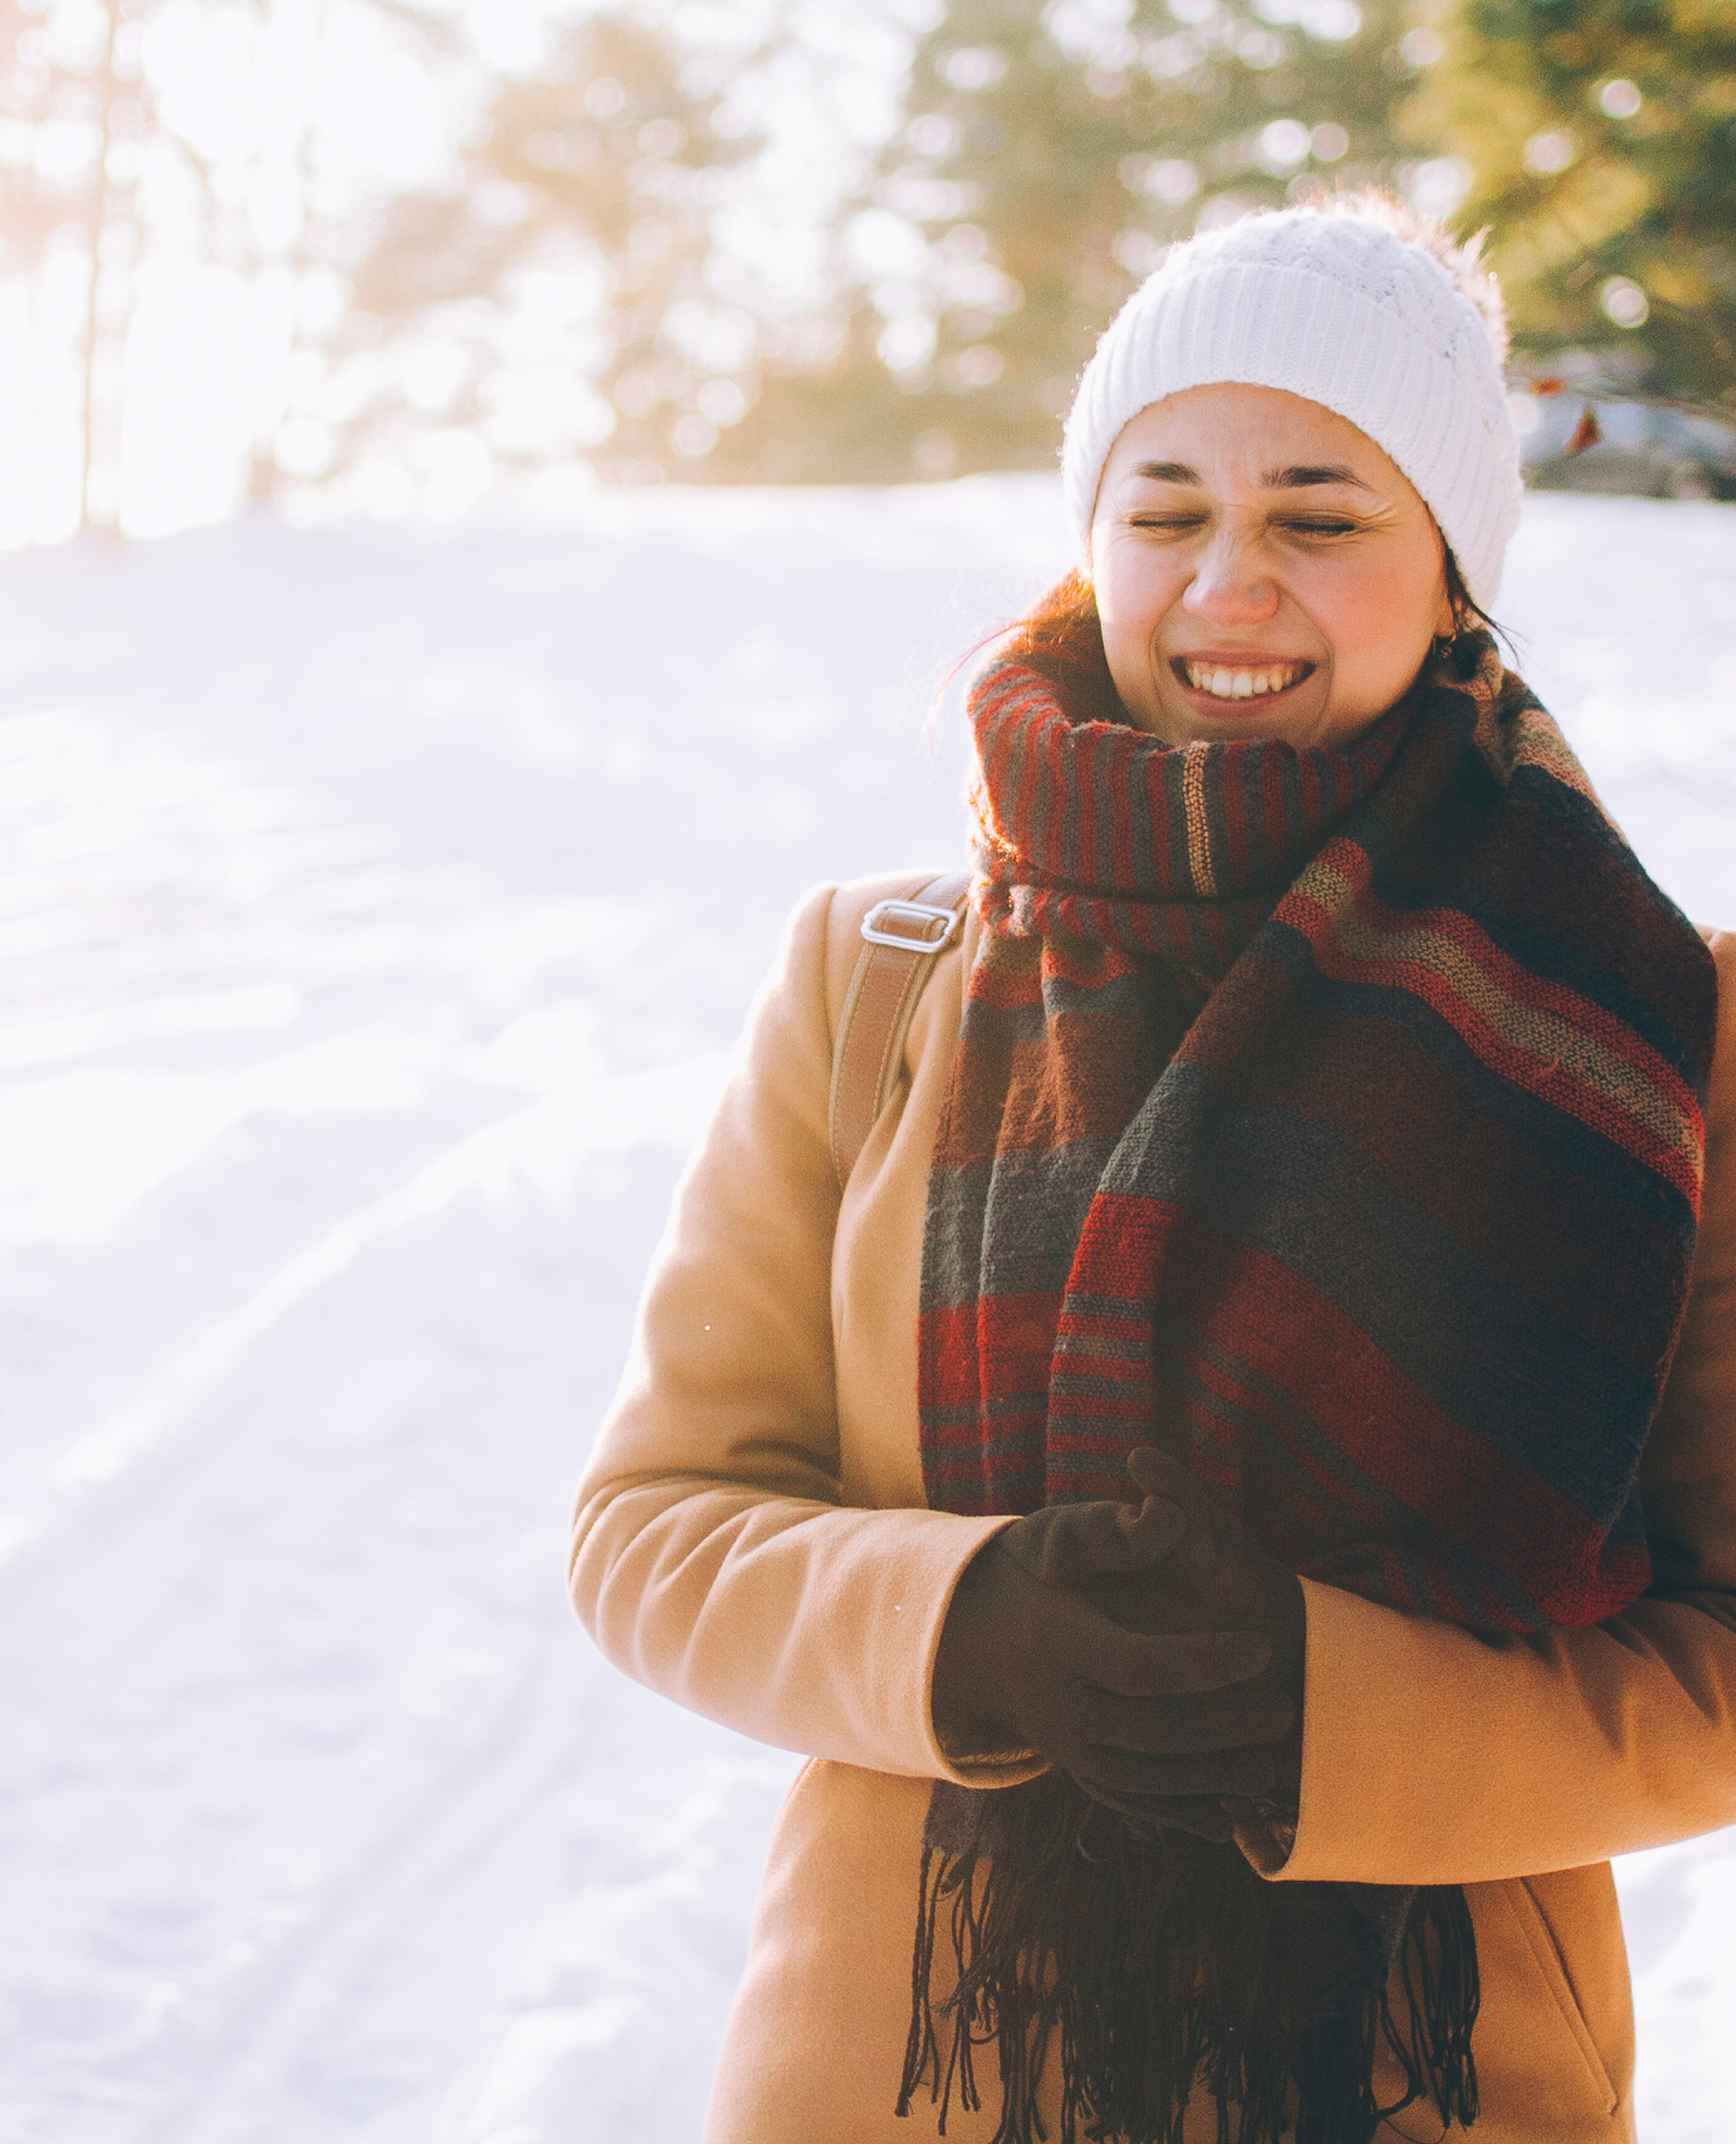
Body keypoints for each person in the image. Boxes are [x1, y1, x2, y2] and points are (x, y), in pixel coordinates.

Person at [569, 192, 1736, 2144]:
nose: (1226, 582)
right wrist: (973, 1623)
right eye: (1167, 508)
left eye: (1315, 512)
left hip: (1427, 2083)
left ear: (1448, 567)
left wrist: (1325, 1713)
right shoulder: (875, 983)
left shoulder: (1649, 1027)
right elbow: (653, 1525)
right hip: (904, 2066)